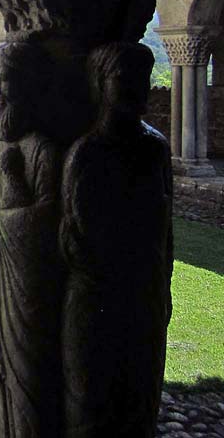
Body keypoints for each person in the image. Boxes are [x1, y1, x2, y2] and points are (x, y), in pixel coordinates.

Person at [61, 42, 173, 438]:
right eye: (124, 81)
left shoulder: (155, 149)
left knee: (138, 395)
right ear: (100, 84)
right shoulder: (87, 154)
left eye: (143, 81)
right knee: (92, 396)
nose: (138, 91)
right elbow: (73, 236)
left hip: (144, 290)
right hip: (99, 292)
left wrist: (164, 285)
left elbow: (166, 230)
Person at [0, 42, 64, 438]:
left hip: (26, 273)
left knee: (28, 363)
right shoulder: (5, 149)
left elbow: (50, 215)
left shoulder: (44, 151)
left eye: (5, 80)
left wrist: (12, 190)